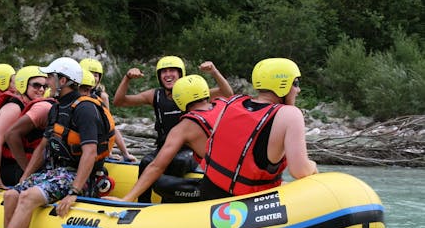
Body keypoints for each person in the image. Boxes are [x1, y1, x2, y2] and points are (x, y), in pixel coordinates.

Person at [0, 57, 115, 228]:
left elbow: (89, 153)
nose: (47, 82)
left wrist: (73, 193)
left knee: (29, 196)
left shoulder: (84, 109)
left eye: (50, 77)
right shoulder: (56, 108)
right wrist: (25, 177)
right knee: (14, 194)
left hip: (79, 177)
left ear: (63, 81)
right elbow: (43, 147)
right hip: (56, 173)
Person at [113, 56, 233, 202]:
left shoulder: (193, 93)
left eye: (172, 71)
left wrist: (214, 71)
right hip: (166, 147)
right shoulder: (154, 95)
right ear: (159, 76)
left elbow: (227, 93)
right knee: (145, 161)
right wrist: (127, 78)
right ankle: (141, 203)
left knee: (179, 161)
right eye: (164, 72)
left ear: (180, 74)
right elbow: (119, 102)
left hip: (188, 150)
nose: (168, 75)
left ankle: (168, 200)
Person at [200, 58, 318, 200]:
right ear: (283, 85)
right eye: (296, 83)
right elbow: (300, 171)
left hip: (208, 195)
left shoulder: (232, 102)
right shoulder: (290, 114)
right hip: (251, 208)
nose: (298, 90)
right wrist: (314, 166)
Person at [0, 66, 48, 194]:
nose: (41, 90)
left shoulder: (33, 107)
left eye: (44, 86)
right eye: (36, 85)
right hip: (2, 165)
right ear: (23, 85)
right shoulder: (13, 108)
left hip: (15, 161)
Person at [80, 57, 136, 162]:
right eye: (89, 73)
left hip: (93, 140)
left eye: (95, 75)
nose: (92, 77)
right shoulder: (72, 93)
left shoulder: (102, 97)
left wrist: (122, 153)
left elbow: (110, 126)